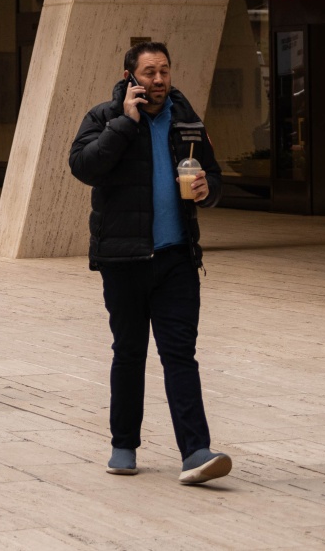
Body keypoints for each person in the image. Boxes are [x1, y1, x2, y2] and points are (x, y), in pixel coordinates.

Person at [68, 41, 233, 487]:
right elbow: (83, 166)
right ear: (129, 77)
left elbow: (214, 175)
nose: (158, 80)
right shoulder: (104, 118)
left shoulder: (188, 121)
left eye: (164, 71)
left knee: (180, 355)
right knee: (129, 353)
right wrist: (126, 122)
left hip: (177, 259)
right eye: (148, 73)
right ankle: (124, 444)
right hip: (123, 261)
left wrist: (208, 190)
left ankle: (196, 451)